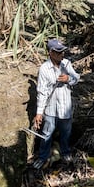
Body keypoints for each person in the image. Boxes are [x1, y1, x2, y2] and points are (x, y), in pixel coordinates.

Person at [32, 38, 80, 169]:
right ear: (50, 52)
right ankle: (43, 157)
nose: (61, 54)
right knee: (46, 134)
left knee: (66, 133)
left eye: (62, 51)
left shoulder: (66, 64)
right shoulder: (44, 69)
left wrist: (68, 79)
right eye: (58, 52)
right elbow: (41, 92)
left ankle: (65, 153)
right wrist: (39, 113)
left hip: (66, 107)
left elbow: (77, 78)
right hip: (51, 109)